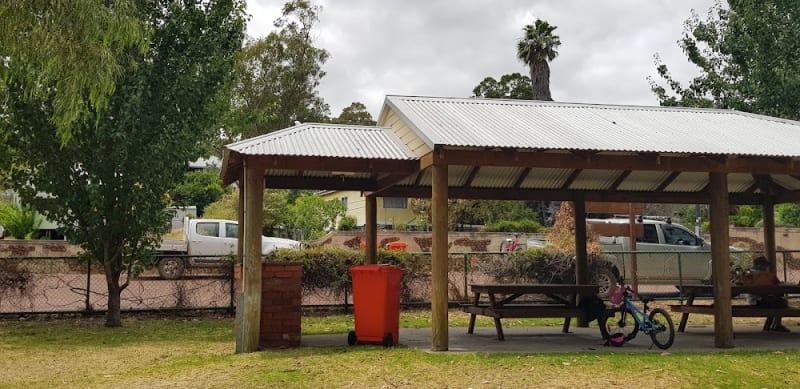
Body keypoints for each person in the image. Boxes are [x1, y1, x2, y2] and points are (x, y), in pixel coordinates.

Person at [742, 256, 789, 332]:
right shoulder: (762, 275)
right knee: (780, 302)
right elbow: (775, 285)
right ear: (760, 265)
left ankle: (771, 325)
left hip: (756, 300)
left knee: (776, 302)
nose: (767, 267)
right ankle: (774, 325)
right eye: (765, 265)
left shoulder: (749, 274)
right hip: (759, 301)